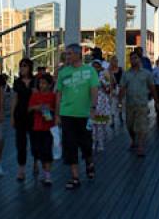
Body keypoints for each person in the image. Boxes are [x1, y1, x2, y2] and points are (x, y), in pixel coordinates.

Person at [55, 43, 99, 190]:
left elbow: (94, 90)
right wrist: (57, 114)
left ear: (77, 54)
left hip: (85, 114)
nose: (66, 56)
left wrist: (93, 108)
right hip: (67, 114)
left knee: (86, 143)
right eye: (66, 54)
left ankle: (89, 162)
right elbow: (58, 94)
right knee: (70, 145)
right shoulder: (63, 72)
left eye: (69, 54)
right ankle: (75, 177)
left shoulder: (90, 70)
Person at [119, 51, 156, 156]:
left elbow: (152, 87)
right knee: (129, 125)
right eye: (131, 58)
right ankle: (133, 140)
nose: (133, 60)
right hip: (130, 104)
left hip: (142, 104)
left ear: (139, 59)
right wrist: (119, 102)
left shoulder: (146, 73)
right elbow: (122, 88)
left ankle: (140, 146)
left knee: (141, 126)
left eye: (135, 58)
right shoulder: (126, 74)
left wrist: (156, 100)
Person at [28, 74, 57, 186]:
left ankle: (47, 175)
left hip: (48, 128)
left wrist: (49, 109)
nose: (42, 85)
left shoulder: (53, 96)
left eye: (44, 83)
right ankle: (44, 171)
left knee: (47, 150)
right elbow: (29, 108)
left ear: (50, 85)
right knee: (37, 150)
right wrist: (37, 107)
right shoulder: (35, 96)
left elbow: (55, 109)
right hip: (36, 127)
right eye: (40, 83)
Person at [11, 58, 35, 181]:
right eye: (21, 66)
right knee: (20, 144)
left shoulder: (35, 81)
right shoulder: (17, 82)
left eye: (25, 66)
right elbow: (14, 99)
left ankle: (36, 162)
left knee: (35, 142)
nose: (22, 68)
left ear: (30, 67)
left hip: (33, 115)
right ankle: (21, 170)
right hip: (20, 115)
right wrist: (12, 116)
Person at [91, 59, 113, 152]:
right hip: (92, 102)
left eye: (97, 66)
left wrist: (103, 83)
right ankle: (92, 143)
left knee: (100, 124)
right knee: (92, 124)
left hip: (102, 102)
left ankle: (100, 143)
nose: (96, 68)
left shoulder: (105, 74)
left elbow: (109, 89)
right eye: (94, 66)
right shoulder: (89, 75)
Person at [108, 54, 123, 128]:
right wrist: (111, 91)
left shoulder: (120, 69)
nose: (115, 62)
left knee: (120, 103)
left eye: (116, 61)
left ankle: (120, 114)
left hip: (120, 89)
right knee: (113, 105)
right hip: (114, 89)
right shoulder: (109, 71)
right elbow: (110, 81)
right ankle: (112, 120)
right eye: (114, 61)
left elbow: (123, 79)